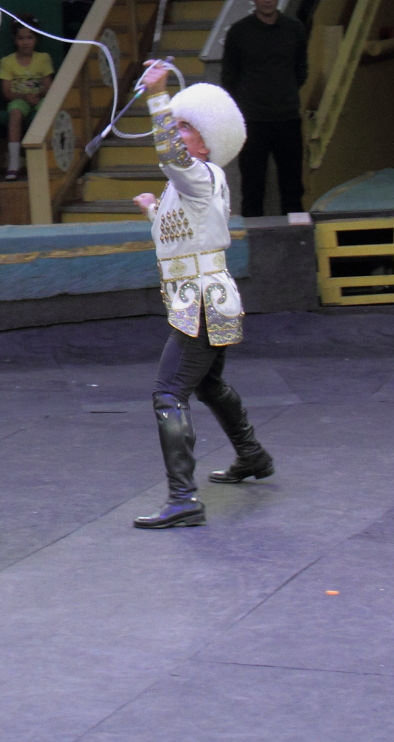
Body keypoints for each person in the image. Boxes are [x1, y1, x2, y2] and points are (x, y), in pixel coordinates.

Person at [130, 61, 271, 529]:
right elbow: (184, 237)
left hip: (201, 303)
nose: (177, 131)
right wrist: (153, 211)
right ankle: (251, 455)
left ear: (206, 143)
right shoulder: (185, 187)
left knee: (169, 393)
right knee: (207, 384)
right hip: (206, 298)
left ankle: (184, 497)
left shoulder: (199, 174)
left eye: (186, 126)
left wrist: (157, 97)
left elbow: (169, 154)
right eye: (178, 124)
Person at [221, 0, 309, 217]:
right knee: (252, 188)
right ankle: (252, 248)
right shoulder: (239, 32)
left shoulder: (294, 29)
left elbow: (301, 70)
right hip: (252, 122)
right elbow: (230, 77)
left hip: (288, 118)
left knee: (293, 188)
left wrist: (285, 92)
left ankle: (296, 243)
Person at [0, 20, 54, 179]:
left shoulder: (43, 59)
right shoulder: (7, 61)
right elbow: (7, 92)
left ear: (36, 39)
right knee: (15, 114)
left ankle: (46, 161)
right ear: (15, 40)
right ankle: (14, 163)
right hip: (19, 99)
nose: (25, 42)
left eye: (29, 38)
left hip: (39, 99)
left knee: (46, 113)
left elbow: (48, 87)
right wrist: (24, 97)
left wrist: (37, 96)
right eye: (21, 38)